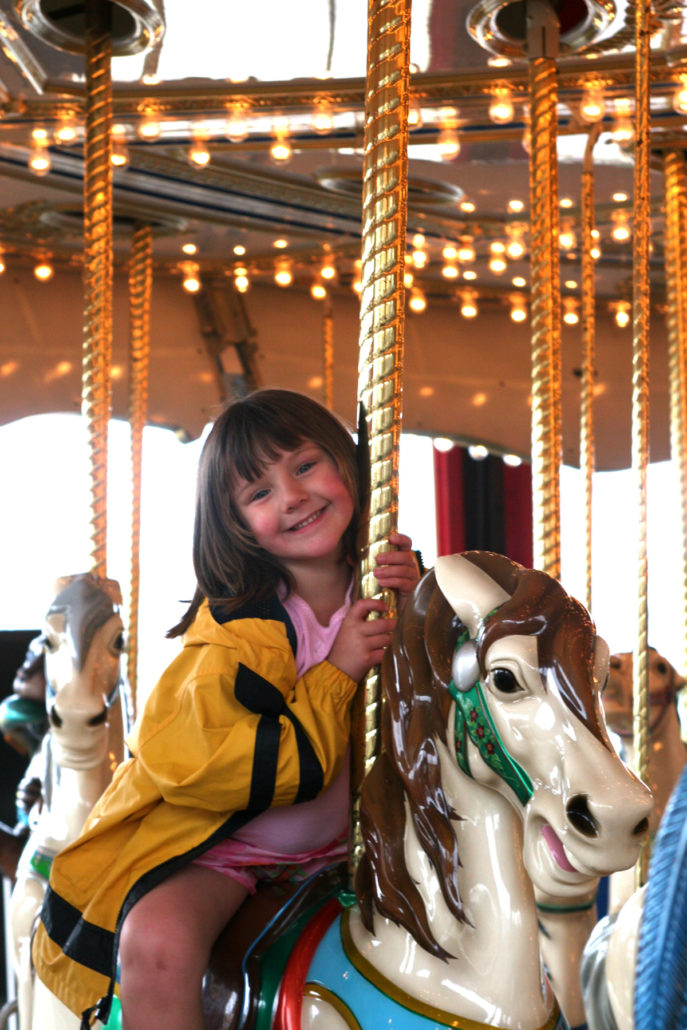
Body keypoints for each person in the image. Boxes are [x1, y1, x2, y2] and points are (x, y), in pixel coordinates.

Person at [32, 388, 422, 1030]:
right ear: (236, 524)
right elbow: (197, 752)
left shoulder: (387, 588)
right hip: (234, 852)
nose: (292, 497)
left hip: (372, 846)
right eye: (259, 493)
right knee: (154, 942)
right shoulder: (235, 627)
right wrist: (335, 673)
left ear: (347, 465)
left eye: (303, 466)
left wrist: (421, 601)